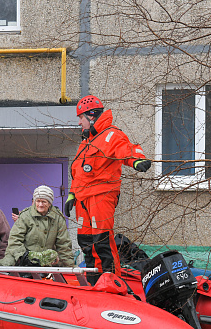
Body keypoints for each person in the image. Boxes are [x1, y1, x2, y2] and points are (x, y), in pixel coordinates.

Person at [64, 95, 151, 285]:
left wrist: (136, 160)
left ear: (92, 116)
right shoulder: (86, 142)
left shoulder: (111, 135)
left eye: (81, 118)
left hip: (101, 196)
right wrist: (72, 195)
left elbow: (125, 149)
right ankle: (94, 281)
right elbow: (79, 173)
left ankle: (112, 281)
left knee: (102, 240)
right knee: (86, 242)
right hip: (83, 200)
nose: (79, 122)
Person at [0, 185, 74, 267]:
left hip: (46, 264)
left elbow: (64, 245)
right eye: (38, 201)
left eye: (44, 202)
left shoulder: (58, 218)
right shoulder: (26, 216)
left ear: (50, 203)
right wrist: (26, 257)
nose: (40, 205)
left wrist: (70, 268)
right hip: (21, 261)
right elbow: (14, 240)